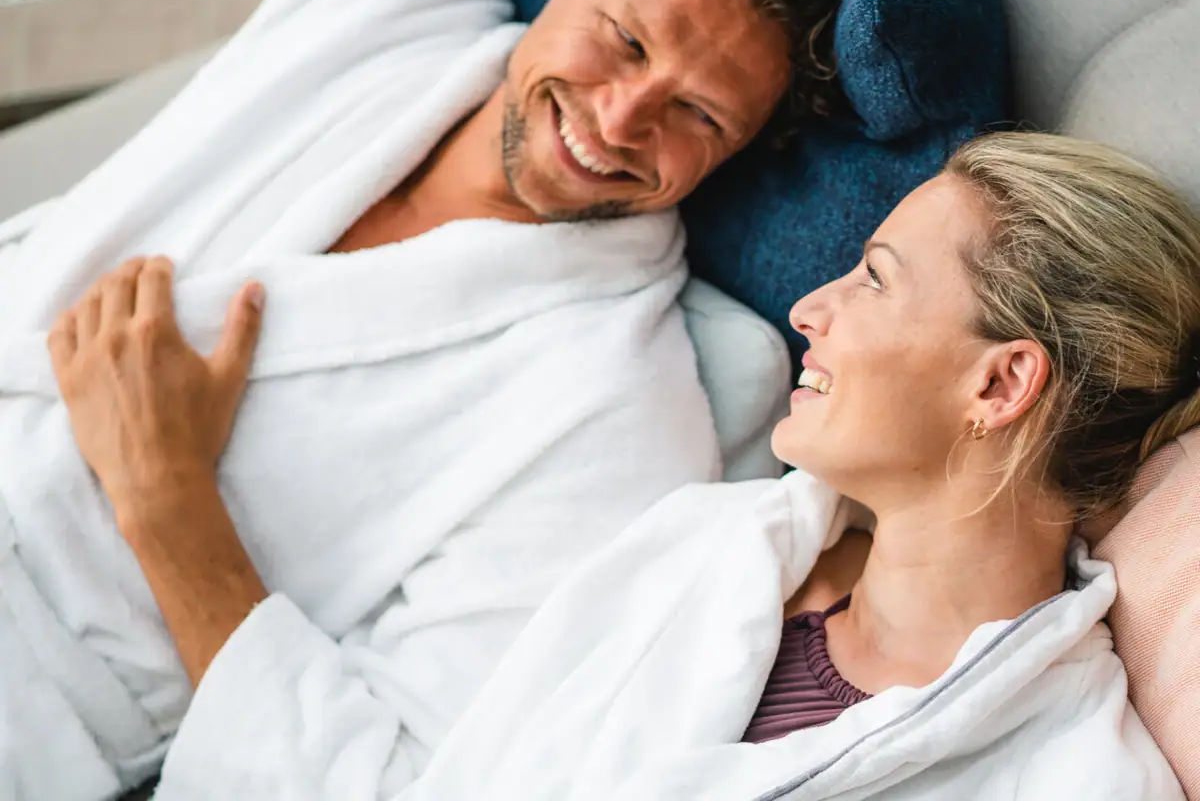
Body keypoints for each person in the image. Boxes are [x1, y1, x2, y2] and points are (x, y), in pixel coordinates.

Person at [0, 0, 874, 797]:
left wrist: (171, 509)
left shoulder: (613, 415)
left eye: (700, 116)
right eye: (624, 39)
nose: (622, 123)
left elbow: (396, 782)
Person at [68, 132, 1193, 797]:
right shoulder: (706, 552)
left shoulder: (1075, 774)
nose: (814, 308)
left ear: (1000, 386)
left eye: (876, 280)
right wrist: (164, 504)